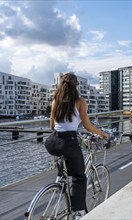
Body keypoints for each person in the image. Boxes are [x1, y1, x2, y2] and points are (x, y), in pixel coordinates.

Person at [47, 73, 108, 219]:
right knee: (79, 177)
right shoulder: (80, 101)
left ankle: (59, 185)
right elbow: (88, 126)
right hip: (69, 142)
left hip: (52, 142)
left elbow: (51, 124)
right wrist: (103, 134)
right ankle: (79, 212)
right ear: (76, 86)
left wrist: (71, 124)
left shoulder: (56, 100)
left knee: (64, 173)